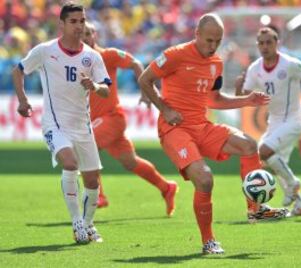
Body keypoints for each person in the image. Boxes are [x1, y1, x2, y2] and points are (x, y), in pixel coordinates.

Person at [138, 13, 288, 255]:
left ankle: (255, 208)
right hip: (174, 129)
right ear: (196, 34)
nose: (212, 46)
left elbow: (214, 99)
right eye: (208, 40)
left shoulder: (216, 63)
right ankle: (208, 241)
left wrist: (246, 100)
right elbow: (145, 79)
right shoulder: (175, 55)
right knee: (205, 179)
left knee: (249, 145)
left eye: (217, 41)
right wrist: (165, 109)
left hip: (202, 126)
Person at [12, 3, 111, 244]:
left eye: (82, 21)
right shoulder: (45, 51)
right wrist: (23, 100)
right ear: (62, 24)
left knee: (92, 180)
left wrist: (95, 87)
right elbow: (19, 71)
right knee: (69, 162)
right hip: (54, 124)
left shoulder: (92, 56)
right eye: (74, 21)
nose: (79, 26)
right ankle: (76, 220)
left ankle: (88, 225)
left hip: (83, 126)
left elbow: (106, 90)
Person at [82, 22, 178, 215]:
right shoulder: (75, 61)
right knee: (130, 161)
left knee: (85, 145)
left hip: (111, 117)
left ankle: (99, 195)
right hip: (98, 121)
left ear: (95, 35)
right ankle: (166, 187)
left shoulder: (107, 55)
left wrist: (145, 90)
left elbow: (135, 63)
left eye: (88, 33)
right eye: (80, 34)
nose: (84, 37)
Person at [235, 27, 301, 216]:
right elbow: (244, 97)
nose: (265, 46)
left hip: (294, 119)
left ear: (277, 43)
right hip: (274, 121)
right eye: (261, 43)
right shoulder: (255, 68)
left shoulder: (290, 64)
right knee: (274, 162)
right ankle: (299, 204)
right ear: (257, 44)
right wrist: (237, 89)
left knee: (264, 152)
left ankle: (293, 184)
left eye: (269, 42)